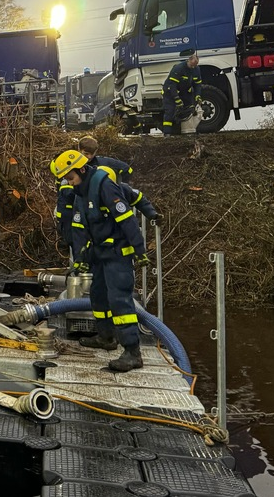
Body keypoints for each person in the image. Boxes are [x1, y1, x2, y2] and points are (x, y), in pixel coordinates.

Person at [51, 150, 159, 373]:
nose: (69, 183)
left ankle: (132, 351)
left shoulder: (104, 186)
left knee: (119, 299)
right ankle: (106, 337)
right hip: (99, 253)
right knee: (98, 296)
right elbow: (79, 228)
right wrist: (80, 258)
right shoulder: (80, 192)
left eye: (70, 178)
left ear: (81, 169)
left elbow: (126, 219)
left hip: (117, 253)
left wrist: (139, 250)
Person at [161, 49, 202, 135]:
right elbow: (172, 86)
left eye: (196, 65)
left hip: (184, 91)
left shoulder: (196, 69)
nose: (194, 67)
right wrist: (177, 99)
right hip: (170, 91)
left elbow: (197, 84)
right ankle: (167, 133)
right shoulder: (178, 68)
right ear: (188, 60)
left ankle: (185, 131)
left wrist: (197, 95)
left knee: (189, 109)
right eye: (192, 65)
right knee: (170, 111)